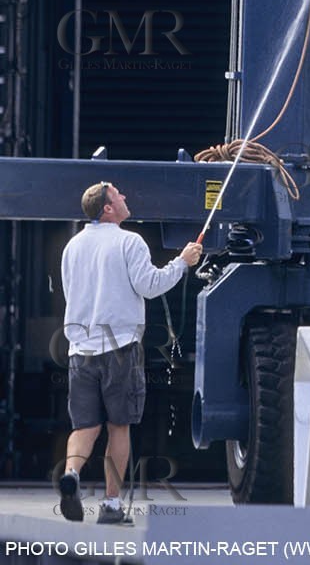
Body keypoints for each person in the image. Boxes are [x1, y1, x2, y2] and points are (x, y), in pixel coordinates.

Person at [59, 182, 201, 525]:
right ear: (108, 208)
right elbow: (150, 286)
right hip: (120, 347)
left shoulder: (72, 246)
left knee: (85, 426)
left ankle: (72, 474)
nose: (125, 197)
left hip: (80, 349)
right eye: (119, 195)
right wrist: (182, 263)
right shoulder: (129, 241)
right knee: (118, 427)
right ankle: (110, 506)